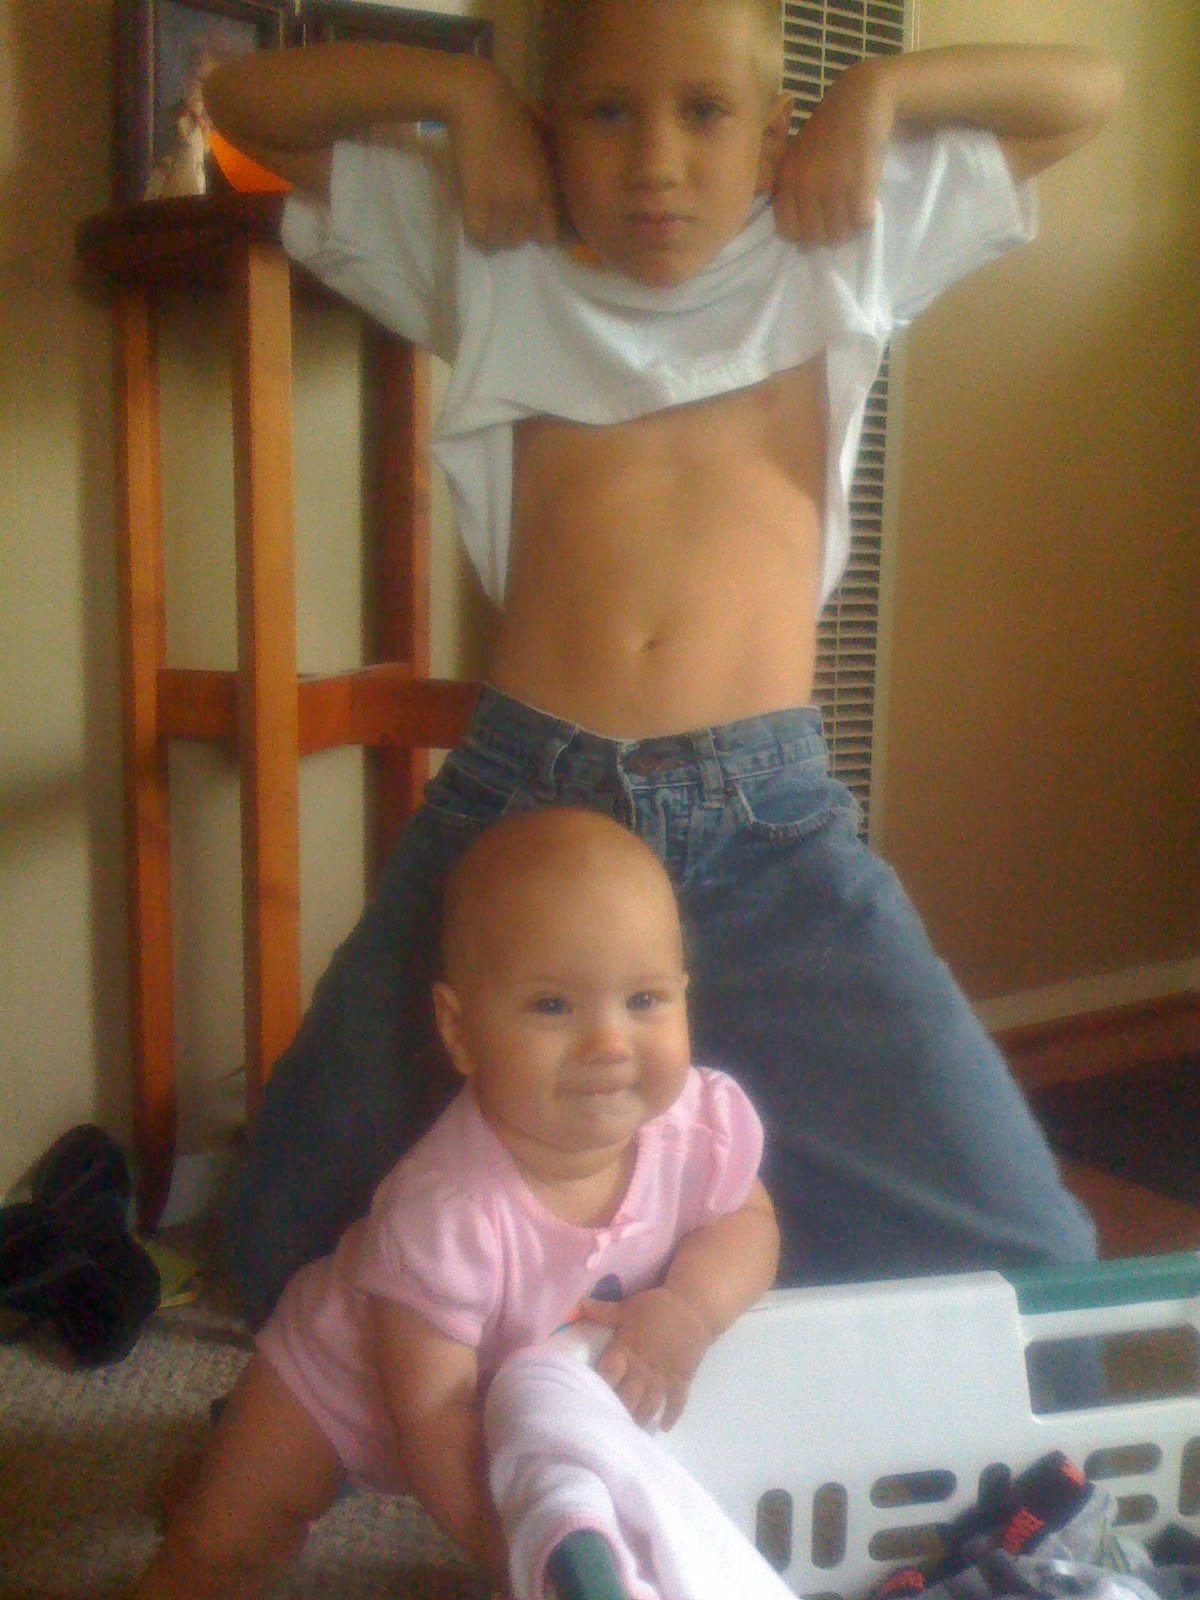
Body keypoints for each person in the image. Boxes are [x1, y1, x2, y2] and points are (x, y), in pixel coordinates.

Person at [203, 0, 1122, 1326]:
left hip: (769, 826)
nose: (655, 163)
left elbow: (1085, 93)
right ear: (549, 131)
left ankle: (697, 1259)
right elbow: (243, 105)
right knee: (275, 1235)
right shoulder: (496, 250)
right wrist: (463, 99)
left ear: (773, 138)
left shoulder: (839, 239)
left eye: (704, 112)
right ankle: (515, 1310)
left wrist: (877, 95)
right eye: (606, 112)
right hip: (521, 809)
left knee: (1038, 1260)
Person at [131, 808, 780, 1597]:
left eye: (644, 999)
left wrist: (689, 1308)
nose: (610, 1044)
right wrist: (510, 1556)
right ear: (460, 1030)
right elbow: (432, 1417)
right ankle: (213, 1496)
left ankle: (210, 1472)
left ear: (684, 996)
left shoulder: (698, 1125)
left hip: (508, 1393)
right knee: (225, 1541)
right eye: (552, 1006)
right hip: (345, 1386)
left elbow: (746, 1220)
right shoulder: (445, 1209)